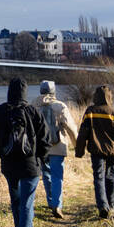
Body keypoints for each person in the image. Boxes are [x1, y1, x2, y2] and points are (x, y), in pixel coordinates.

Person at [0, 78, 55, 227]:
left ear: (9, 91)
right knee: (27, 205)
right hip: (30, 166)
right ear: (25, 92)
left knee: (16, 202)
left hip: (9, 167)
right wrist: (38, 157)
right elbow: (46, 140)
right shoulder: (33, 111)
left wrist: (3, 155)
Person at [75, 85, 114, 218]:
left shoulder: (90, 112)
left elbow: (83, 133)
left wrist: (79, 151)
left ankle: (102, 206)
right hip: (112, 151)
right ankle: (113, 205)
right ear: (109, 97)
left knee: (98, 178)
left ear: (96, 96)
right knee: (110, 177)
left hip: (96, 151)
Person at [33, 80, 78, 219]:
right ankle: (57, 205)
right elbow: (71, 127)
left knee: (46, 174)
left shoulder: (34, 106)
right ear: (54, 91)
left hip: (41, 147)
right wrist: (77, 145)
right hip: (57, 146)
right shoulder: (60, 106)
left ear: (41, 91)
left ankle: (51, 201)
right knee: (57, 176)